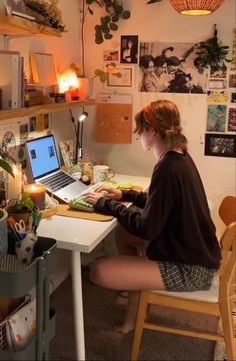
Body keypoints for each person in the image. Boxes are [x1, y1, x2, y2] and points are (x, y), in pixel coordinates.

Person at [83, 100, 221, 335]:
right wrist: (124, 195)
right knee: (123, 233)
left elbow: (147, 228)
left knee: (98, 271)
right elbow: (161, 204)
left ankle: (137, 282)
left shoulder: (168, 167)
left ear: (152, 132)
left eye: (140, 129)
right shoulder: (179, 157)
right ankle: (132, 317)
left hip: (191, 269)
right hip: (196, 253)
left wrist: (105, 204)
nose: (138, 135)